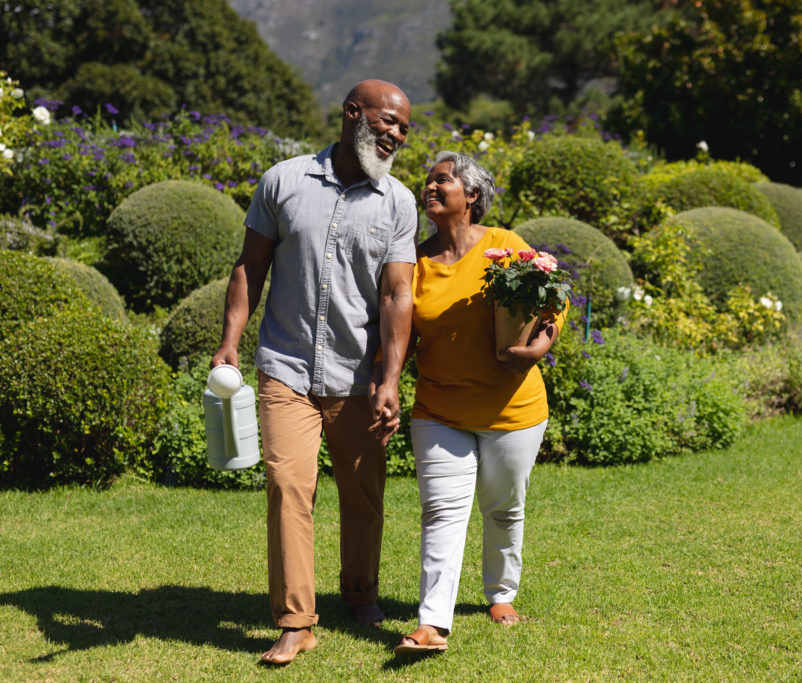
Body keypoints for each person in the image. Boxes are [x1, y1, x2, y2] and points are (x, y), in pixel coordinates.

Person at [210, 79, 417, 665]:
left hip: (358, 374)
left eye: (405, 129)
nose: (397, 135)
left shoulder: (398, 201)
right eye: (389, 122)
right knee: (287, 489)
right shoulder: (284, 181)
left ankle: (360, 591)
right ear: (354, 114)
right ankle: (296, 620)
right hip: (287, 367)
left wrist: (390, 379)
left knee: (362, 494)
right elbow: (250, 267)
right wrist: (230, 343)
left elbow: (399, 294)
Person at [387, 151, 564, 654]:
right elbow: (399, 334)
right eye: (429, 181)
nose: (431, 187)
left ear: (473, 196)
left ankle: (500, 593)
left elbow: (553, 301)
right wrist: (387, 382)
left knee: (503, 507)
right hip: (440, 410)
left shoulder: (505, 246)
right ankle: (432, 624)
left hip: (513, 410)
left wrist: (538, 346)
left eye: (443, 180)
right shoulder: (415, 263)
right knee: (441, 511)